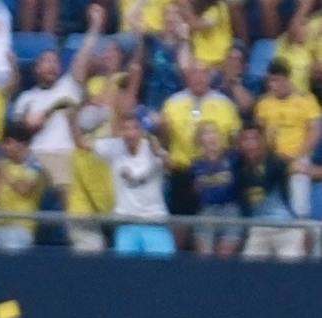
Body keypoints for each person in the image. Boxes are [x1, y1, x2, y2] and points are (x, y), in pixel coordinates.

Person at [12, 4, 103, 200]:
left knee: (68, 199)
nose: (52, 66)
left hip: (65, 153)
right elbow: (28, 126)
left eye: (55, 62)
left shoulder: (68, 85)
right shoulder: (27, 98)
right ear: (36, 69)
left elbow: (83, 56)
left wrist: (95, 27)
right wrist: (52, 109)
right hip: (35, 156)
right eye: (46, 62)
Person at [159, 61, 242, 244]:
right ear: (187, 77)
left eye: (203, 73)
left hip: (215, 173)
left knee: (213, 231)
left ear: (210, 77)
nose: (199, 77)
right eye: (194, 73)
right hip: (182, 172)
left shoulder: (225, 104)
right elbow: (163, 142)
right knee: (180, 227)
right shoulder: (172, 103)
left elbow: (235, 142)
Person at [78, 109, 176, 256]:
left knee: (164, 272)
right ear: (120, 131)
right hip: (126, 223)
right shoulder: (114, 147)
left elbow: (171, 168)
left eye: (134, 128)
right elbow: (81, 143)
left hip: (154, 221)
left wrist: (160, 152)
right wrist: (71, 117)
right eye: (126, 129)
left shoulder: (152, 146)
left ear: (141, 130)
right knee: (125, 274)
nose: (130, 134)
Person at [254, 58, 322, 226]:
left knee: (299, 183)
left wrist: (298, 156)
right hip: (271, 158)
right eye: (270, 80)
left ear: (286, 79)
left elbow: (315, 131)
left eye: (276, 80)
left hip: (298, 156)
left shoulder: (307, 101)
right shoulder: (264, 103)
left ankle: (301, 227)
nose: (272, 85)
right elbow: (259, 134)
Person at [235, 122, 307, 260]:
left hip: (285, 227)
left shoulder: (276, 163)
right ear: (240, 144)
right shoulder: (238, 167)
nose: (251, 144)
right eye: (246, 139)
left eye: (255, 139)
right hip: (258, 229)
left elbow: (266, 180)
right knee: (248, 271)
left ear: (263, 142)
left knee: (292, 270)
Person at [0, 123, 47, 250]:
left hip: (20, 228)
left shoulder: (35, 165)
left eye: (8, 143)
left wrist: (3, 173)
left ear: (21, 143)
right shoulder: (4, 163)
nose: (5, 147)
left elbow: (24, 189)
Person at [189, 121, 243, 256]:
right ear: (200, 140)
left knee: (225, 255)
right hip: (207, 210)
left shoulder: (233, 158)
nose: (211, 136)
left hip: (230, 209)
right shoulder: (196, 165)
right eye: (206, 133)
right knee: (204, 255)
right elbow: (195, 192)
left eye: (214, 132)